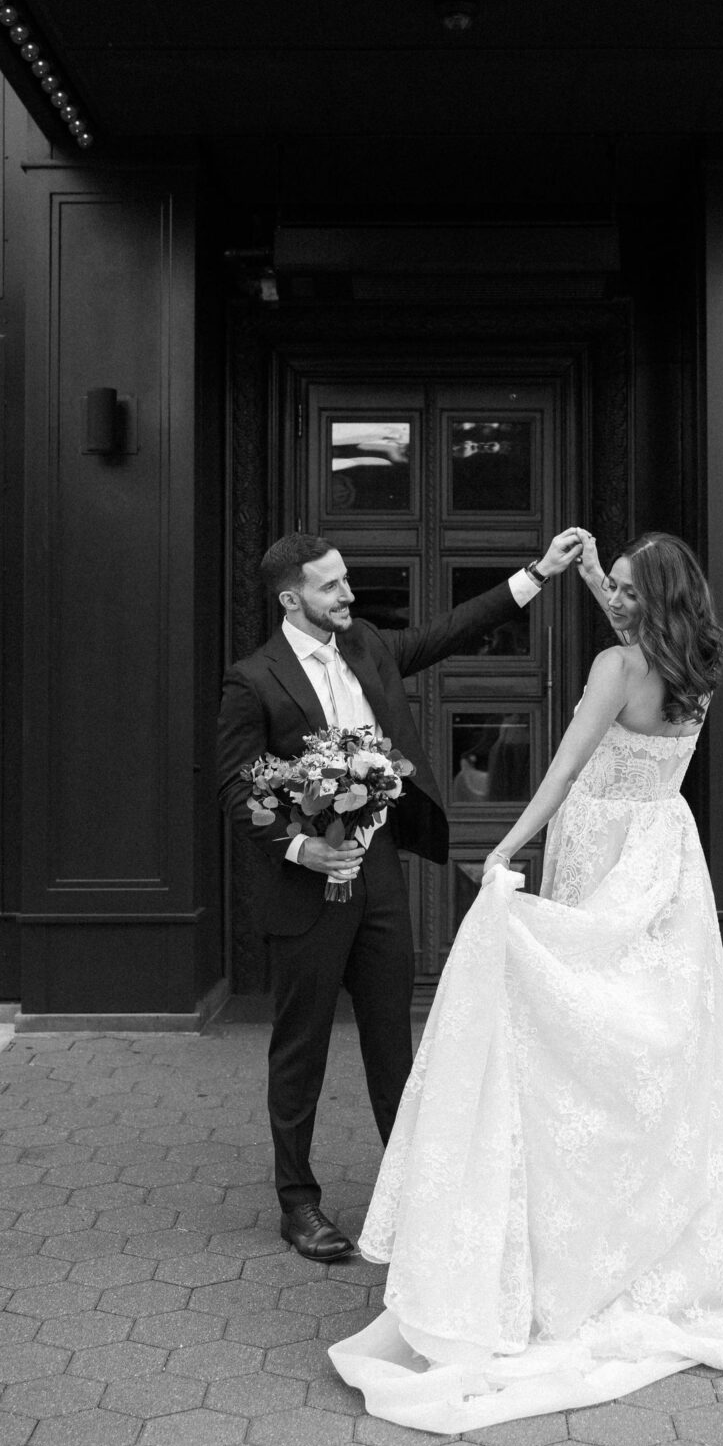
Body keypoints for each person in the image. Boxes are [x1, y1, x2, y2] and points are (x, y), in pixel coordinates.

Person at [330, 530, 723, 1431]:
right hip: (666, 857)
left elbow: (564, 768)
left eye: (633, 590)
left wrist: (507, 847)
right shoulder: (698, 660)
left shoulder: (614, 667)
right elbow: (635, 628)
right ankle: (650, 1223)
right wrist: (597, 567)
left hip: (601, 844)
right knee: (651, 1040)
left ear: (656, 598)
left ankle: (567, 1239)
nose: (622, 600)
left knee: (569, 1031)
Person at [216, 525, 585, 1262]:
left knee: (394, 1038)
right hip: (305, 883)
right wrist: (301, 846)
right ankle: (299, 1204)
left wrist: (538, 573)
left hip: (379, 872)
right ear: (293, 598)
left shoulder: (366, 645)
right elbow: (236, 785)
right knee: (301, 1048)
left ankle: (413, 1187)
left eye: (345, 578)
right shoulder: (252, 679)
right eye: (330, 584)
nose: (347, 592)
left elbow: (447, 631)